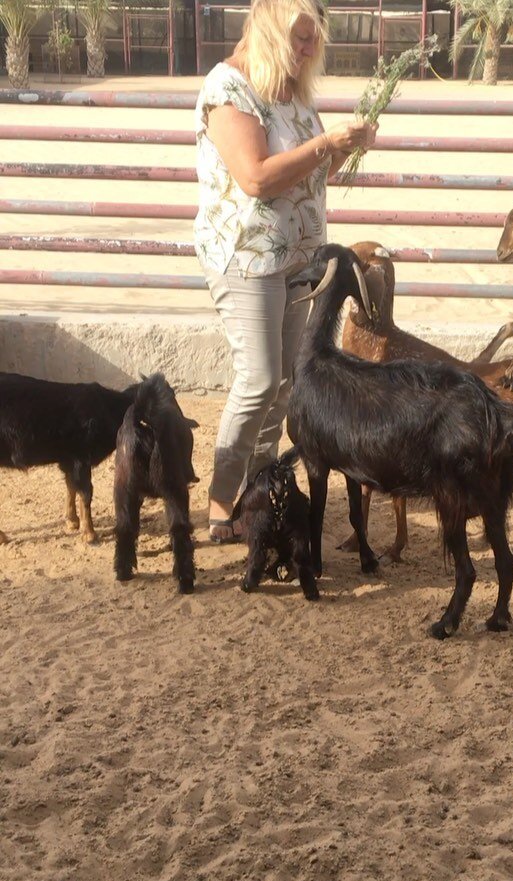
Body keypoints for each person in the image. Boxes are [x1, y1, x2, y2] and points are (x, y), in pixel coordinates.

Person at [194, 0, 377, 543]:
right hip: (247, 257)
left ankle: (260, 488)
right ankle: (220, 502)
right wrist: (324, 143)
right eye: (299, 38)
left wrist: (345, 148)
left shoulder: (293, 93)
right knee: (258, 379)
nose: (307, 50)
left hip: (298, 257)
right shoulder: (228, 87)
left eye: (312, 40)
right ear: (271, 30)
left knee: (285, 384)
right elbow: (254, 177)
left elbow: (312, 171)